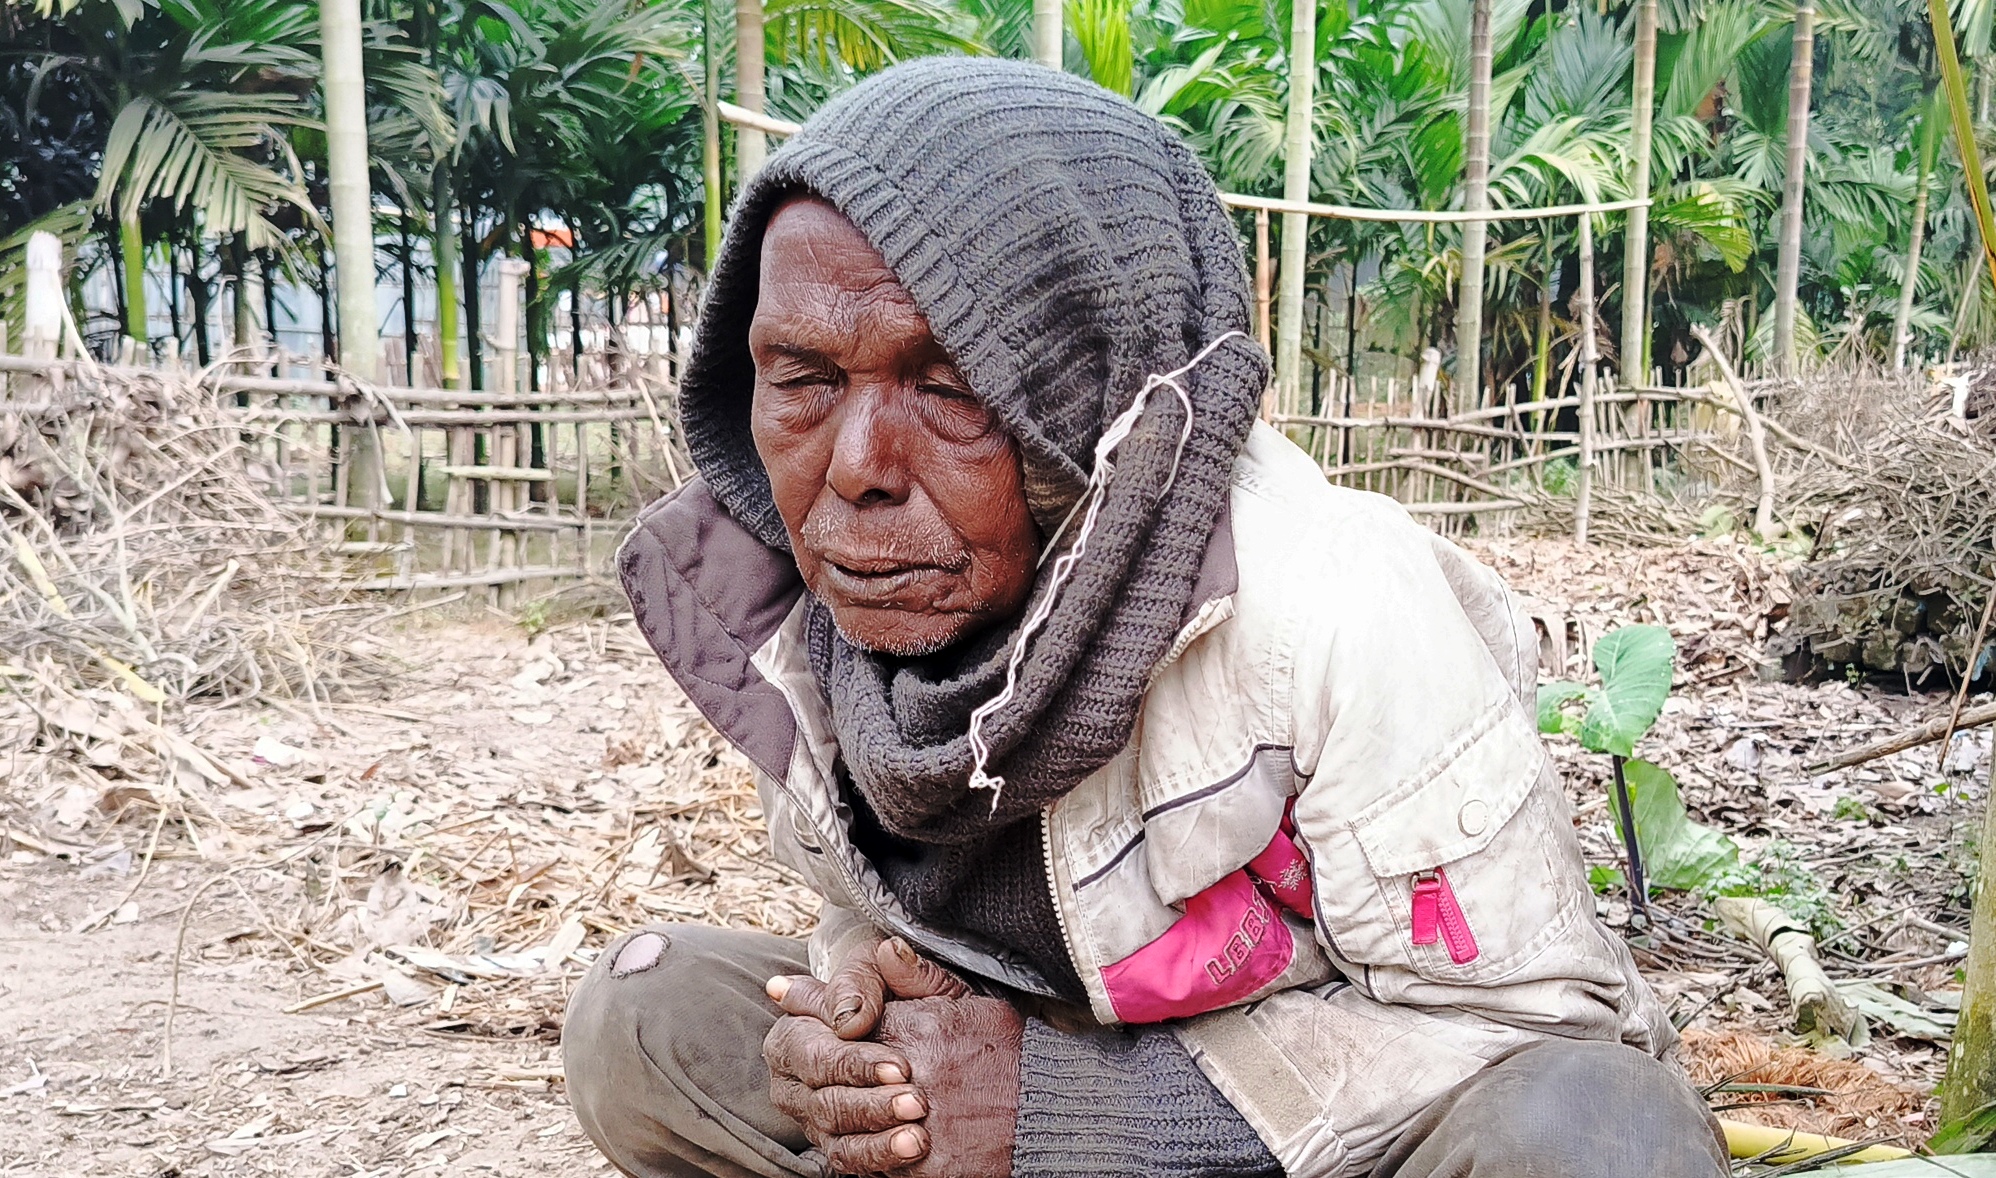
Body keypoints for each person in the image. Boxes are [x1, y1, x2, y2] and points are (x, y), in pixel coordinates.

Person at [561, 58, 1729, 1178]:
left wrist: (1071, 1114)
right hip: (1018, 1087)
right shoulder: (815, 609)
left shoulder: (1329, 606)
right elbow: (866, 912)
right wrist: (859, 1030)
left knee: (1602, 1133)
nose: (857, 469)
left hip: (1296, 1127)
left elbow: (1535, 1021)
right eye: (806, 379)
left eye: (951, 388)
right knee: (647, 1012)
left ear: (1089, 390)